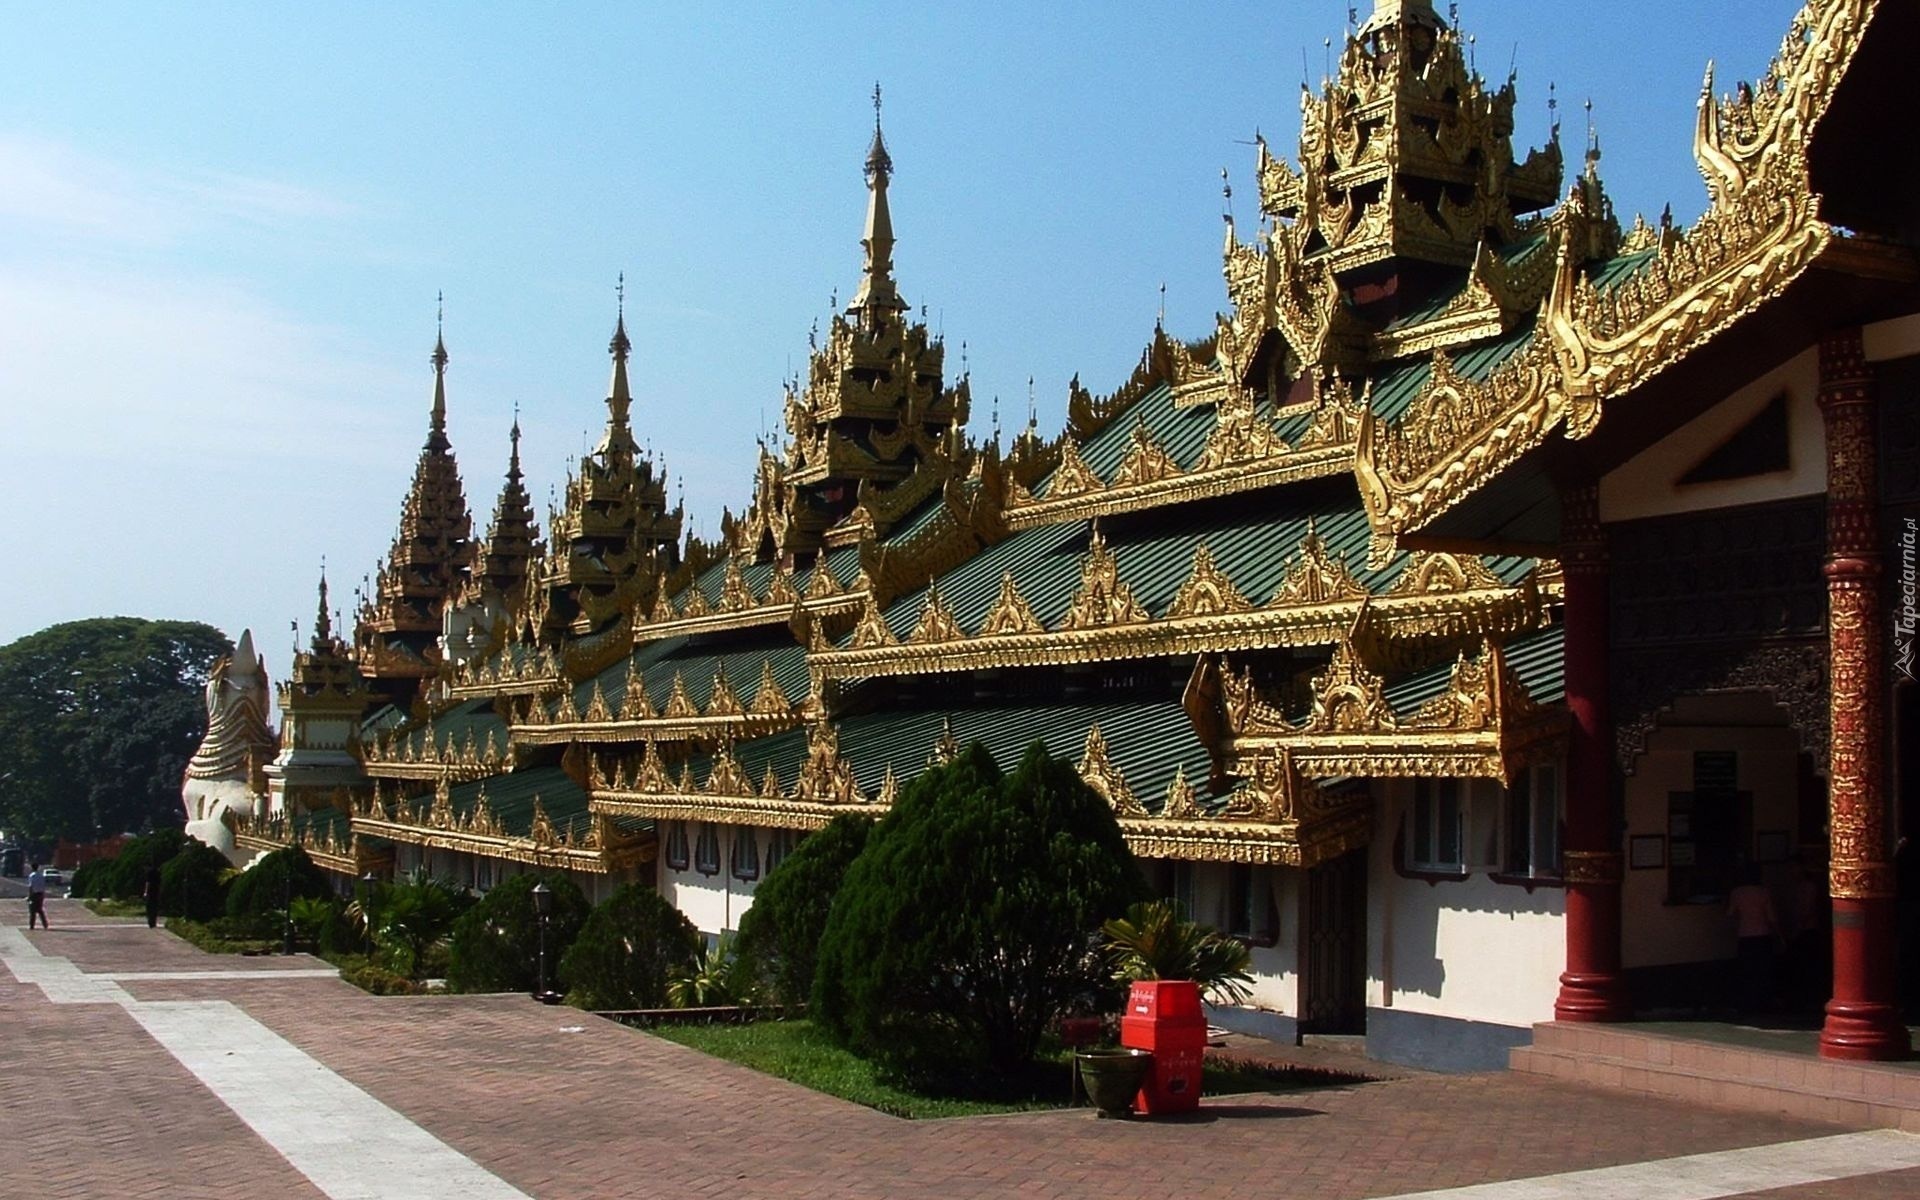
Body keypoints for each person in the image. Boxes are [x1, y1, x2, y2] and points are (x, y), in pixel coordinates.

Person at [1727, 864, 1779, 1017]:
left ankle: (1746, 1002)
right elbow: (1771, 917)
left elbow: (1730, 913)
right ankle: (1763, 1002)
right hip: (1762, 934)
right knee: (1763, 971)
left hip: (1745, 935)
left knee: (1746, 971)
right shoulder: (1763, 892)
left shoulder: (1737, 893)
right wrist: (1779, 935)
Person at [25, 861, 49, 930]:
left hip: (34, 894)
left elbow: (31, 886)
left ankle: (32, 925)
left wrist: (29, 896)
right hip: (41, 894)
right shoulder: (41, 875)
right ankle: (45, 924)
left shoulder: (32, 876)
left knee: (32, 911)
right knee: (40, 910)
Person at [144, 863, 163, 929]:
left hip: (150, 892)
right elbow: (160, 883)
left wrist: (145, 892)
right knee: (155, 907)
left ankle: (150, 921)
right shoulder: (158, 873)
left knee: (149, 907)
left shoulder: (149, 873)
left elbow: (147, 883)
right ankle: (153, 921)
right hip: (156, 892)